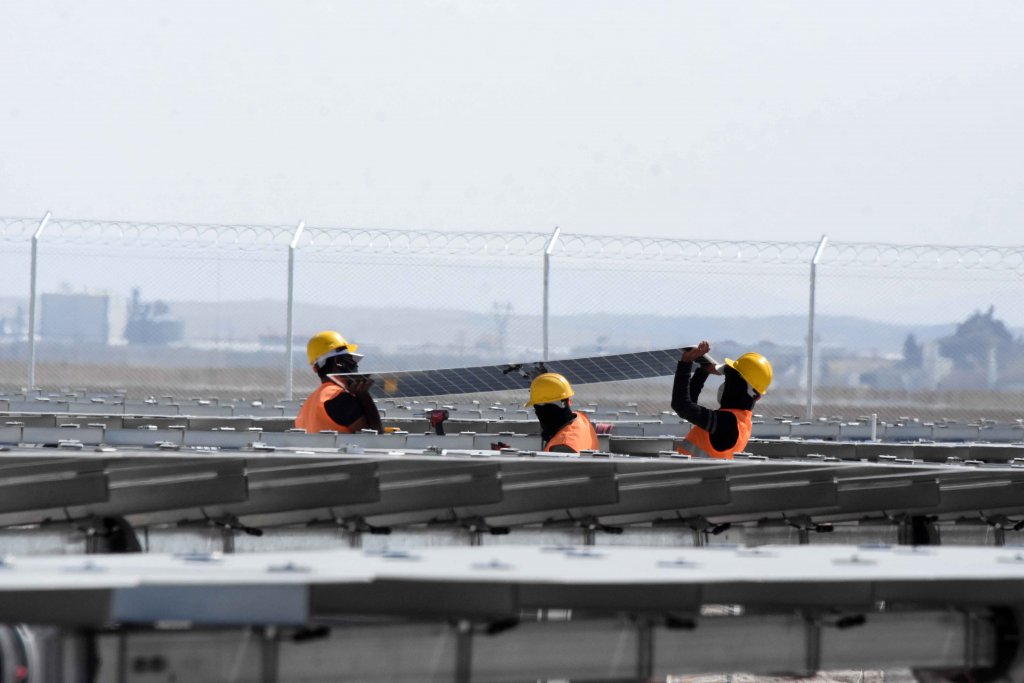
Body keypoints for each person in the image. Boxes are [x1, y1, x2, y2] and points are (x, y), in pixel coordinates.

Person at [672, 340, 772, 460]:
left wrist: (686, 363)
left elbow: (682, 405)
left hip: (690, 477)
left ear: (737, 386)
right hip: (700, 477)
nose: (725, 385)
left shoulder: (728, 423)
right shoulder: (741, 422)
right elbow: (689, 406)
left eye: (728, 381)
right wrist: (702, 372)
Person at [294, 330, 383, 434]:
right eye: (351, 360)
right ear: (339, 362)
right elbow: (374, 438)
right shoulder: (339, 398)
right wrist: (363, 395)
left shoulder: (308, 405)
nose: (356, 366)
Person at [525, 372, 599, 453]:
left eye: (537, 408)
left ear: (547, 409)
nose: (537, 412)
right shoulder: (582, 419)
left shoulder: (562, 448)